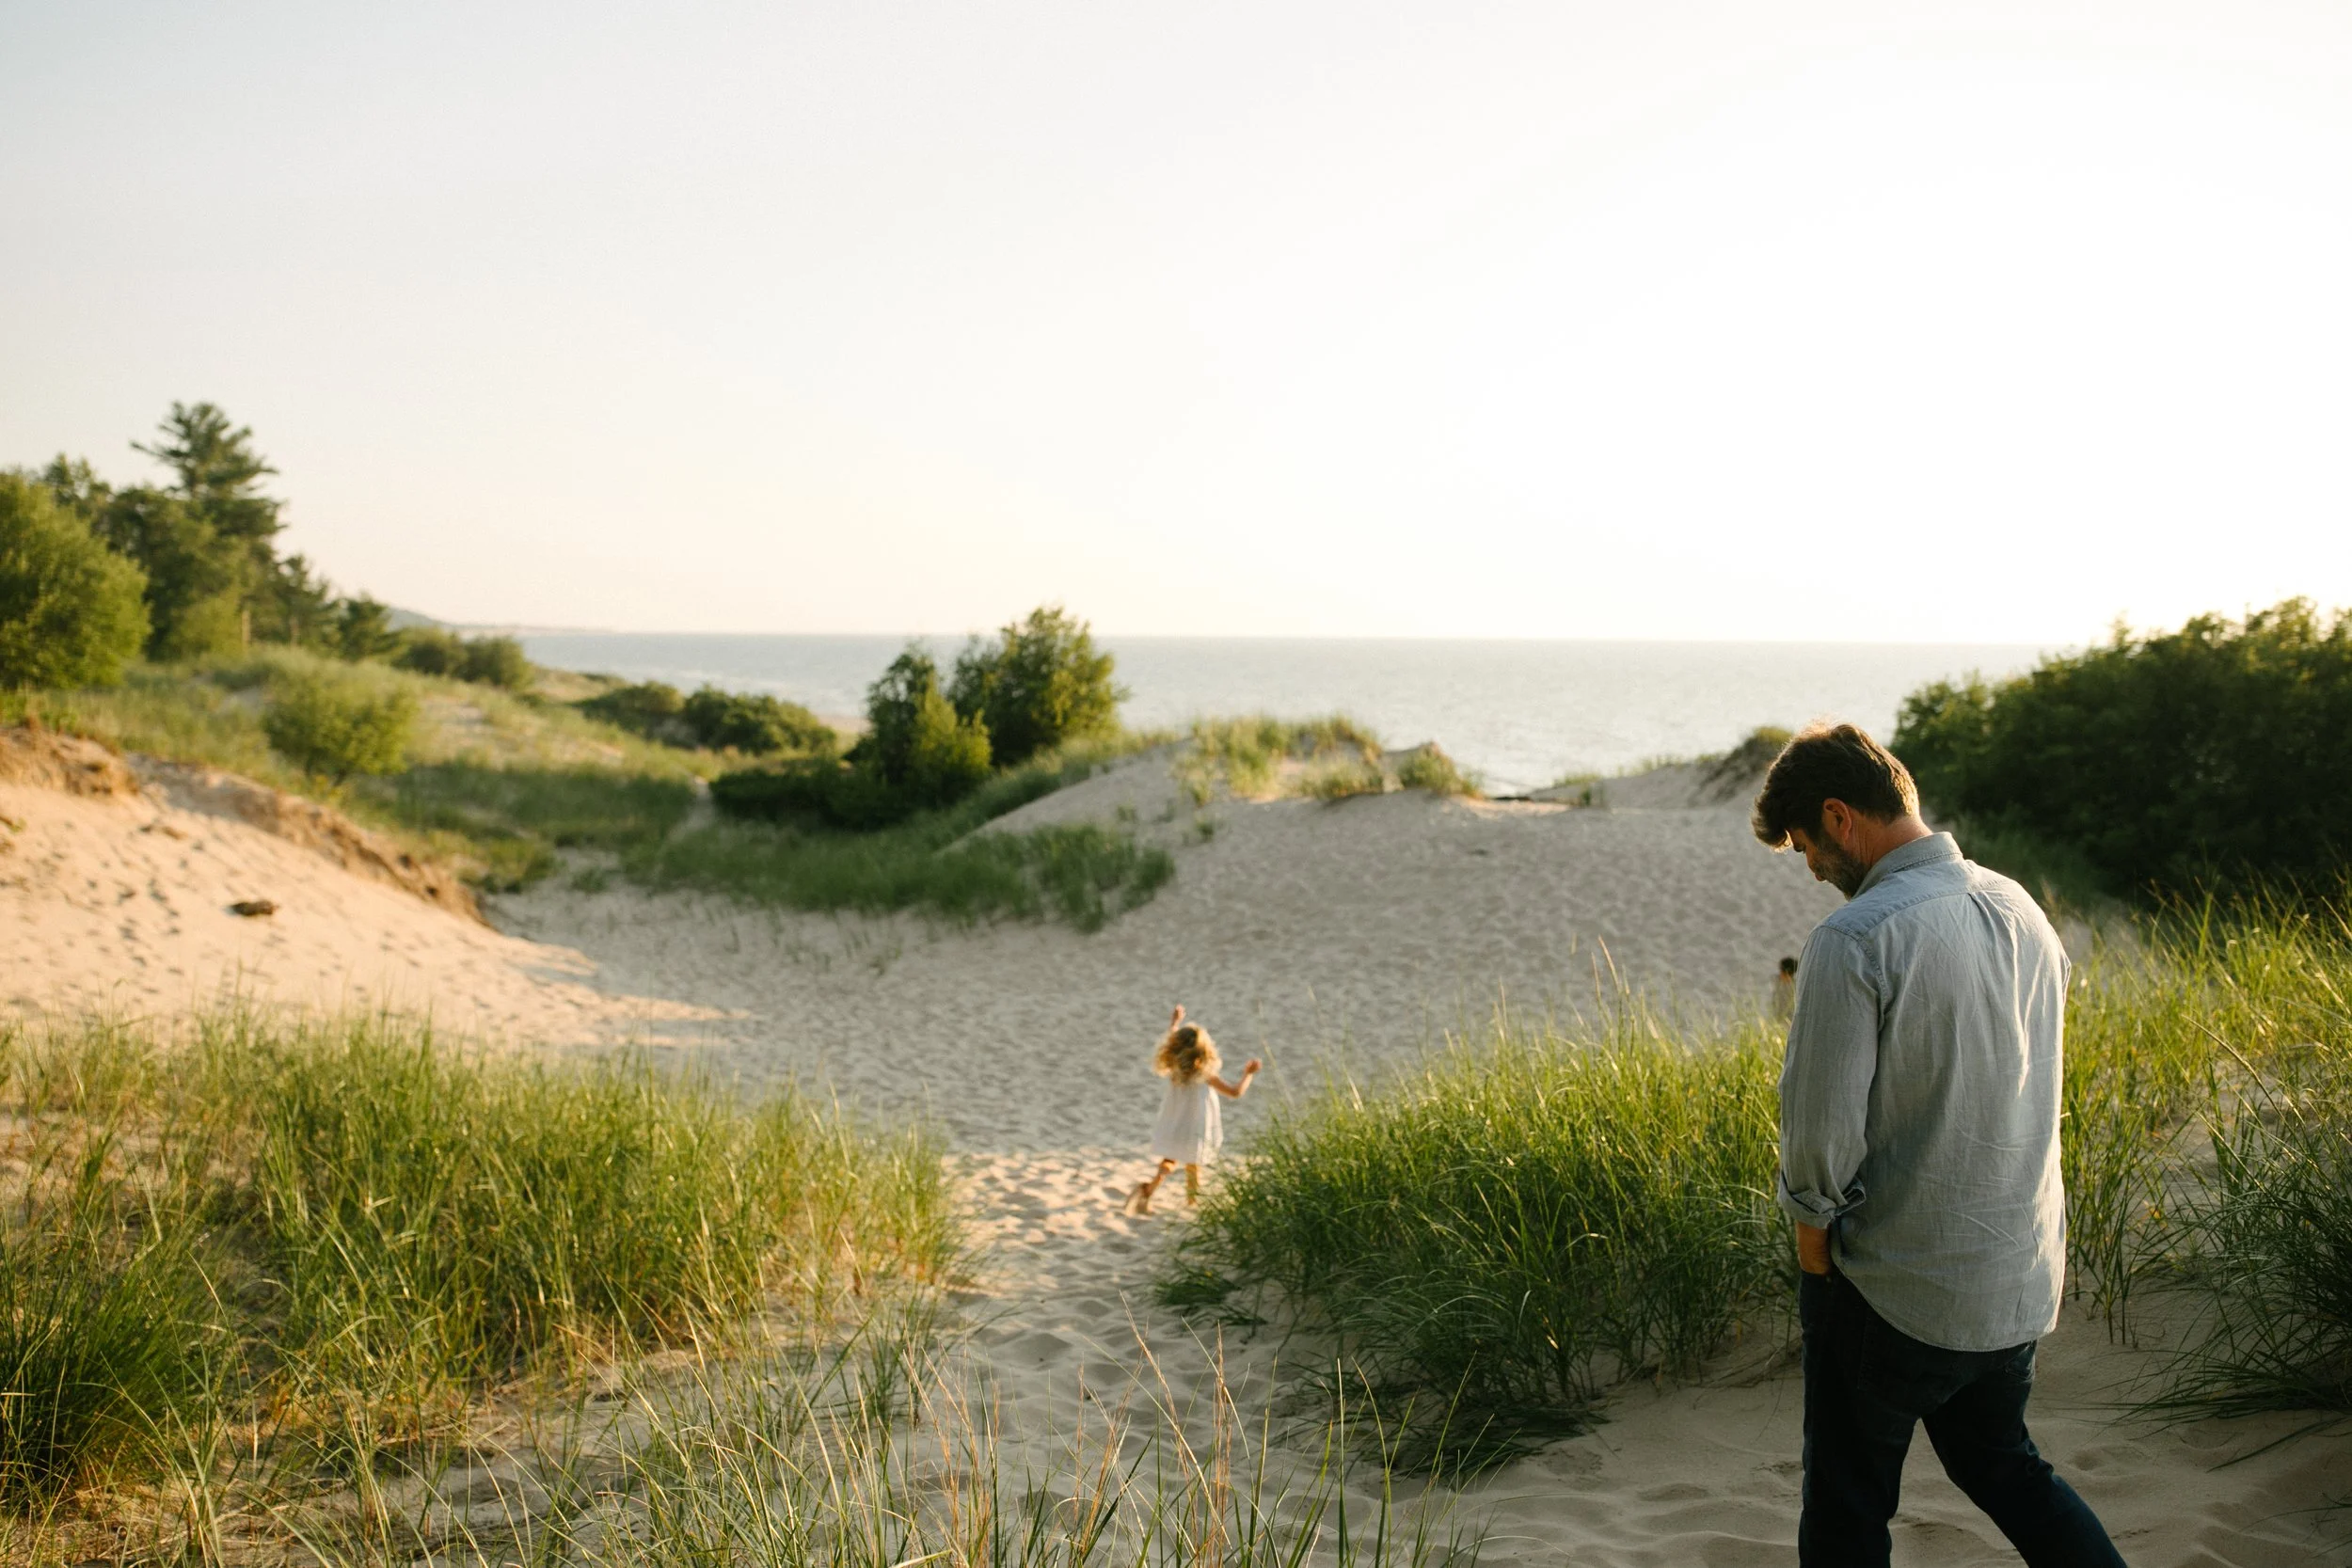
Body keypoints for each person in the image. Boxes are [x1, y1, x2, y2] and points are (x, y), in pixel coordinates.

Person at [1752, 722, 2125, 1567]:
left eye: (1806, 846)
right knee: (2009, 1469)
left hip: (1896, 1286)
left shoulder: (1854, 938)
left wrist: (1815, 1257)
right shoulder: (2023, 907)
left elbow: (1820, 1135)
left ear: (1840, 816)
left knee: (1847, 1511)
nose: (1812, 869)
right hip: (2013, 1279)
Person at [1123, 1005, 1260, 1215]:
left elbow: (1172, 1039)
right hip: (1196, 1126)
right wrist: (1248, 1074)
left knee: (1169, 1160)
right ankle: (1192, 1203)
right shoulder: (1206, 1075)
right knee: (1193, 1164)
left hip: (1175, 1122)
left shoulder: (1175, 1068)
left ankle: (1148, 1191)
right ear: (1204, 1051)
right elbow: (1235, 1092)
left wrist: (1174, 1023)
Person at [1772, 954, 1800, 1022]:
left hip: (1789, 1020)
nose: (1780, 973)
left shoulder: (1795, 986)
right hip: (1776, 1017)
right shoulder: (1776, 980)